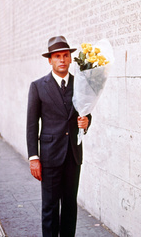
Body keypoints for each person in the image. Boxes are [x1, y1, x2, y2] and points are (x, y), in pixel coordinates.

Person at [26, 36, 91, 237]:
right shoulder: (38, 86)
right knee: (50, 208)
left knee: (70, 206)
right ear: (50, 60)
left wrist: (87, 122)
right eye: (57, 56)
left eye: (65, 55)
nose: (62, 60)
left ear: (70, 59)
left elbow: (86, 112)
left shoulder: (80, 84)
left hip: (73, 155)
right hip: (50, 156)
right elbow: (31, 124)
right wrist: (33, 157)